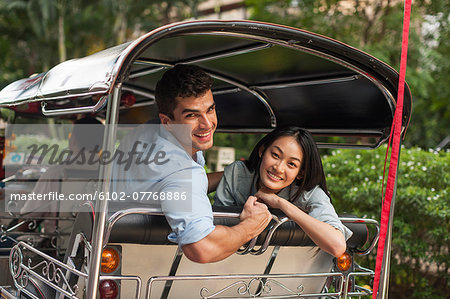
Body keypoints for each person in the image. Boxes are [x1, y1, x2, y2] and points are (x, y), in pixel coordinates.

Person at [112, 64, 272, 263]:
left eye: (210, 109)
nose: (207, 124)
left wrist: (232, 174)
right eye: (192, 115)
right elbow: (202, 248)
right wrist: (251, 226)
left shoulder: (149, 131)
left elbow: (170, 184)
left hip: (108, 244)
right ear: (167, 121)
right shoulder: (181, 171)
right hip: (137, 263)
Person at [214, 127, 352, 257]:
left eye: (291, 164)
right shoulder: (237, 174)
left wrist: (281, 204)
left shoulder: (309, 193)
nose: (278, 168)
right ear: (262, 151)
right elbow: (217, 226)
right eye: (275, 155)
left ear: (300, 173)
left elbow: (337, 246)